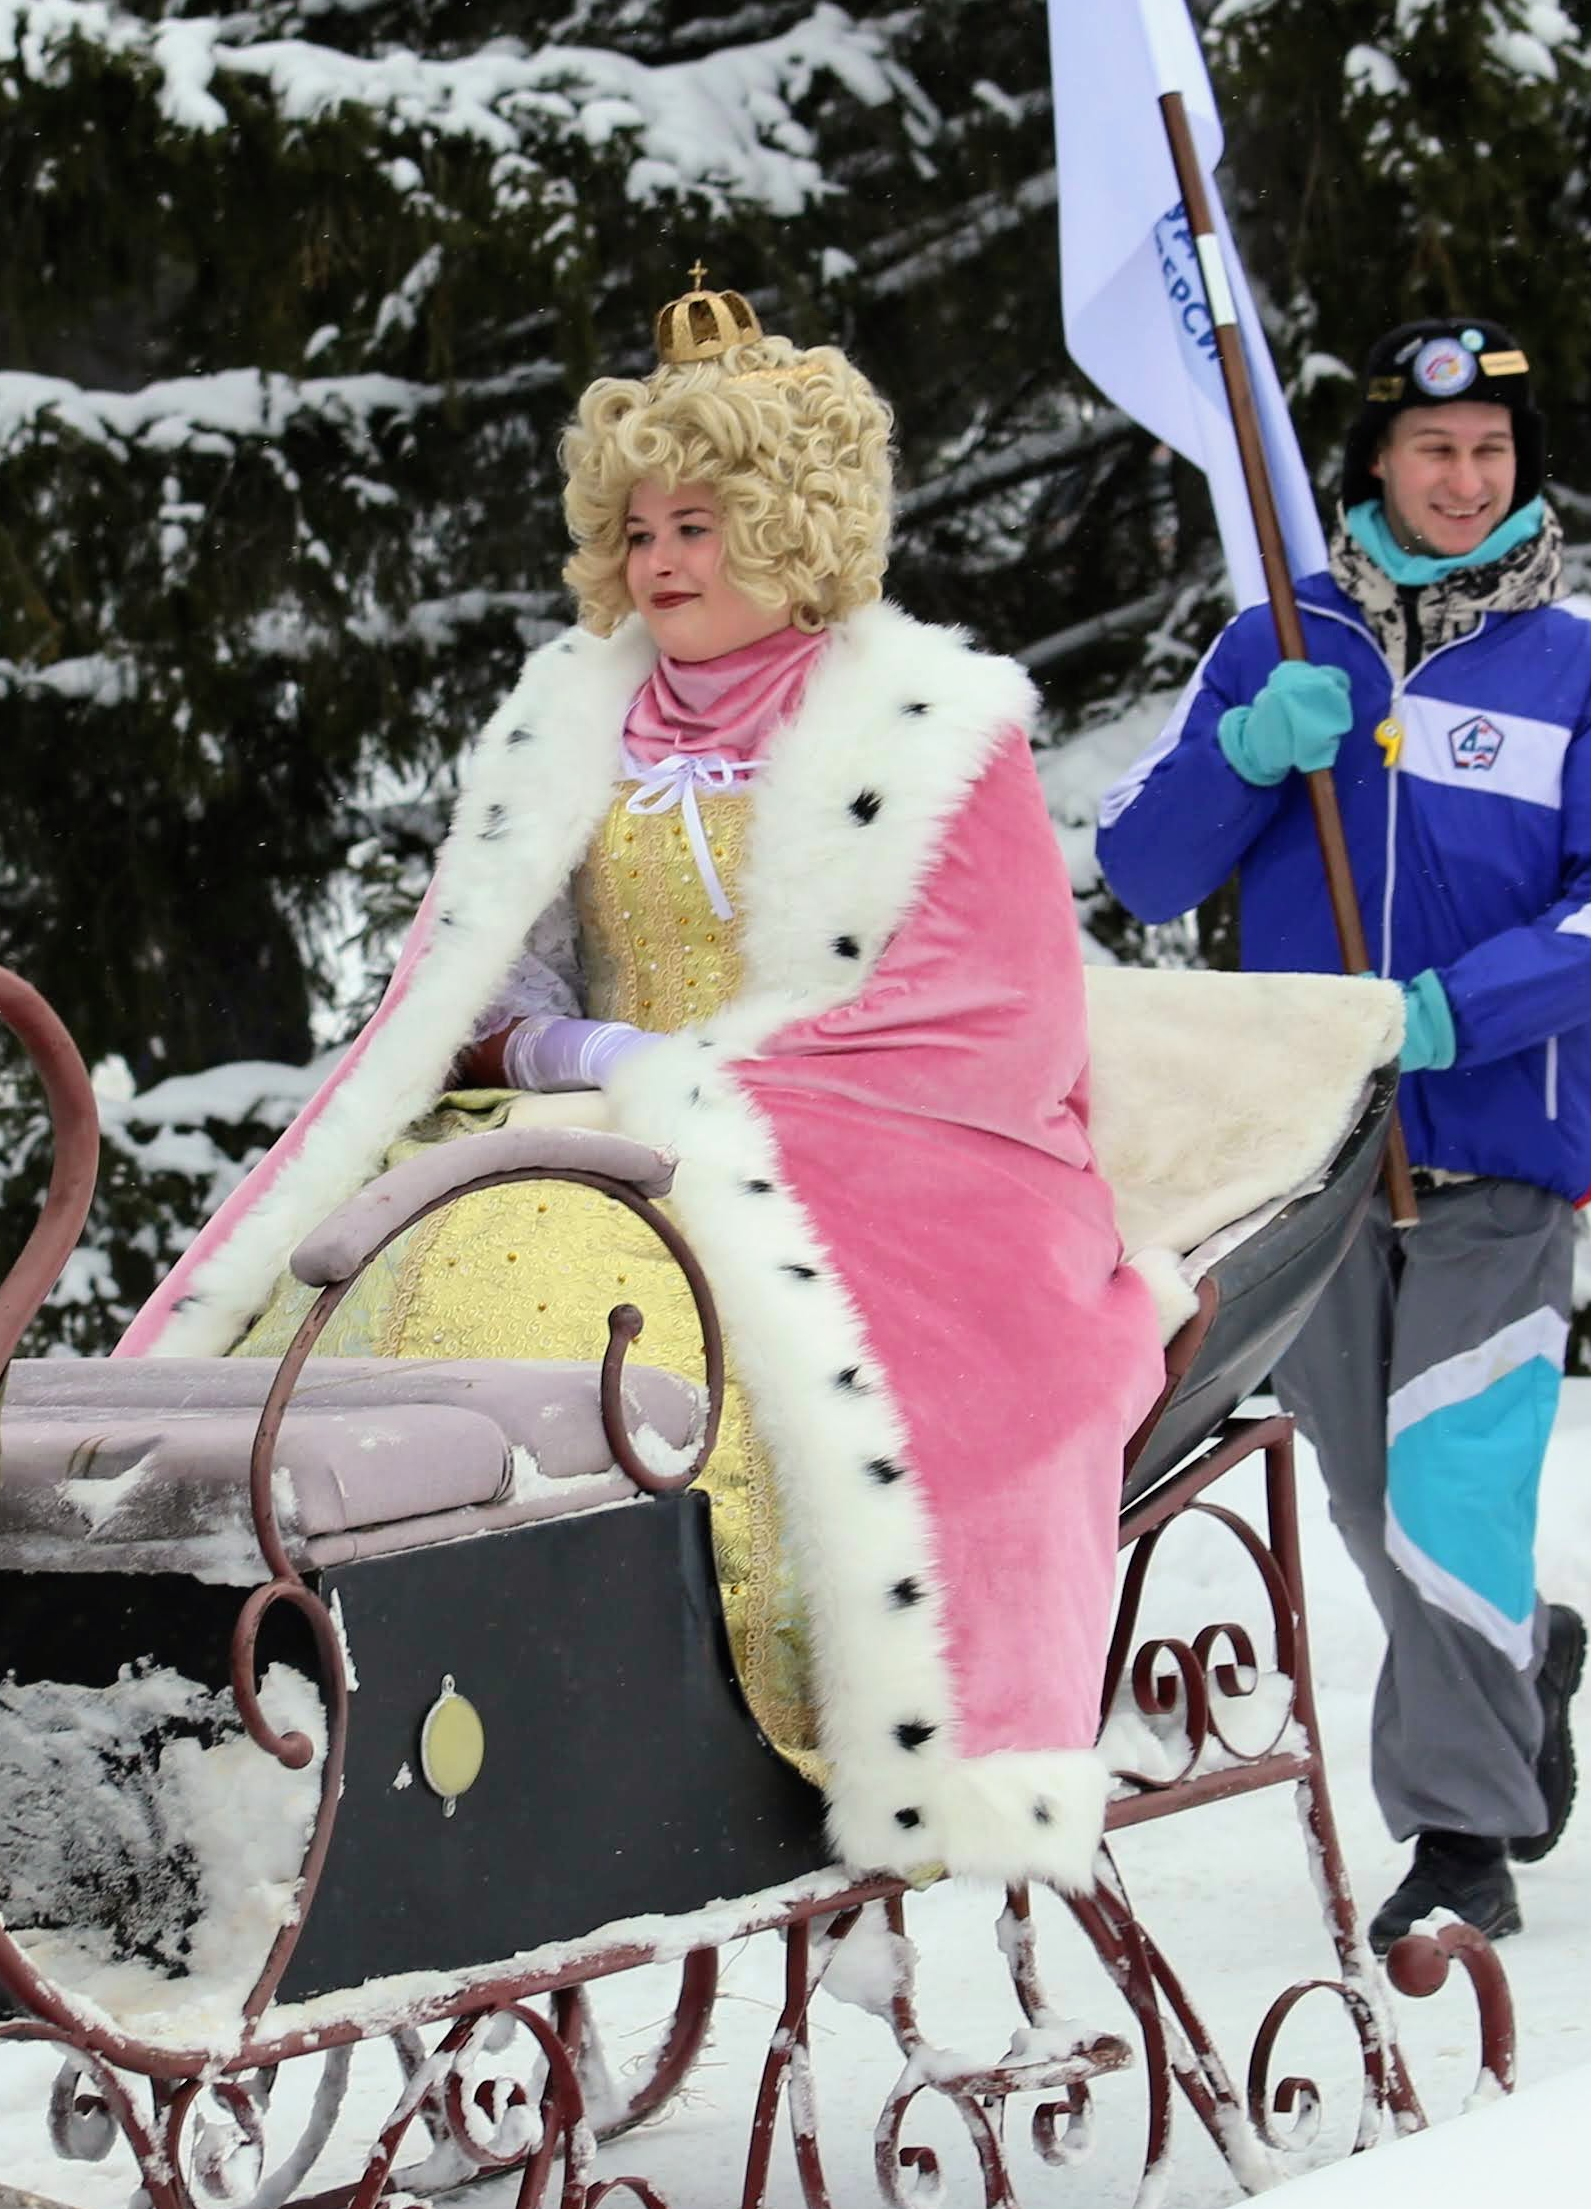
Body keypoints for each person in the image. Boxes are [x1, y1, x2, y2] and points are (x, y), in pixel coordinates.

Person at [126, 283, 1170, 1892]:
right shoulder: (572, 714)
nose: (657, 561)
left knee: (611, 1293)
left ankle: (630, 1708)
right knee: (403, 1252)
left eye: (698, 523)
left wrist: (701, 1095)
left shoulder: (933, 728)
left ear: (792, 526)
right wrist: (576, 1054)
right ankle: (331, 1676)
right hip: (582, 1124)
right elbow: (477, 983)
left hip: (863, 1164)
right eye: (633, 530)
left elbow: (979, 1027)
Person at [1097, 316, 1591, 1944]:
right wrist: (1243, 755)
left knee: (1450, 1495)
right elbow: (1142, 867)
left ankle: (1457, 1834)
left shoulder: (1582, 665)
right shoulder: (1275, 644)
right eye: (1433, 449)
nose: (1463, 477)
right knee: (1371, 1505)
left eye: (1489, 451)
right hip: (1312, 1156)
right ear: (1374, 463)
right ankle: (1519, 1660)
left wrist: (1456, 1012)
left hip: (1499, 1146)